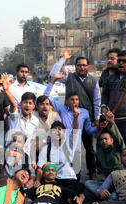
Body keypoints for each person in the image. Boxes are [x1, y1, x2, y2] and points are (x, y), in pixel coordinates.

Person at [50, 49, 101, 179]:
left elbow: (97, 101)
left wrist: (97, 118)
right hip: (69, 117)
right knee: (70, 147)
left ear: (88, 66)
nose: (82, 67)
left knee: (89, 148)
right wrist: (63, 59)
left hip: (86, 118)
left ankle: (91, 171)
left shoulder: (93, 81)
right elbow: (53, 73)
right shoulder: (69, 76)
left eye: (84, 65)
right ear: (75, 66)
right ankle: (70, 173)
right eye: (79, 65)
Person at [101, 50, 126, 166]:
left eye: (124, 61)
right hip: (113, 121)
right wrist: (103, 108)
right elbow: (105, 95)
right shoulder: (111, 78)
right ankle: (118, 176)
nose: (121, 63)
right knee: (115, 149)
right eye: (119, 61)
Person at [84, 107, 125, 199]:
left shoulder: (117, 149)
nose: (103, 141)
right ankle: (105, 195)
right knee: (88, 183)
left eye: (106, 139)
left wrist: (112, 123)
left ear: (112, 141)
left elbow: (120, 140)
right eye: (102, 140)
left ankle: (106, 197)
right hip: (107, 182)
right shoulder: (99, 153)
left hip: (119, 182)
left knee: (113, 197)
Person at [6, 91, 39, 158]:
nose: (27, 105)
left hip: (26, 157)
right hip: (12, 154)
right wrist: (7, 90)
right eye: (25, 102)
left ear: (33, 106)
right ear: (21, 104)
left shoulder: (35, 121)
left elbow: (32, 142)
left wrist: (33, 160)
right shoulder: (14, 116)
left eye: (30, 103)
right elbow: (13, 106)